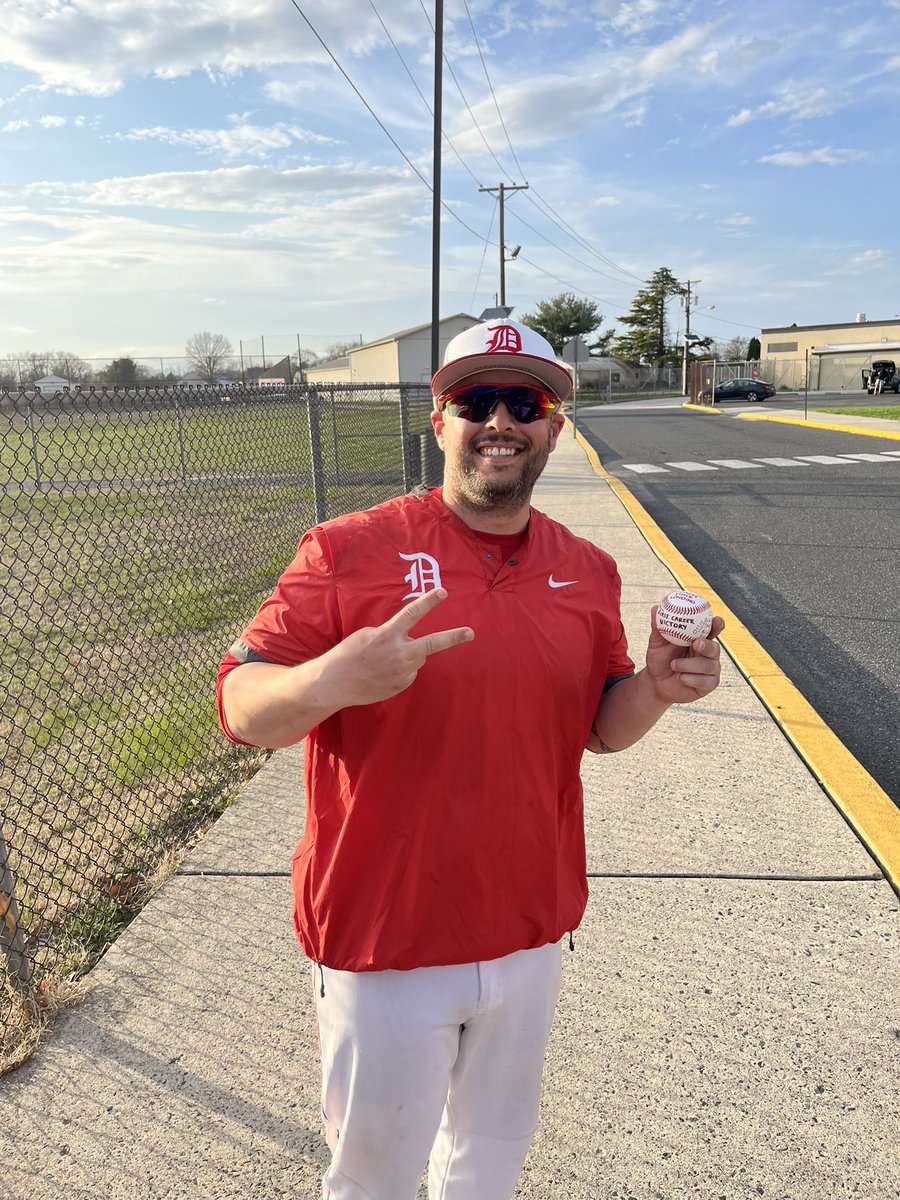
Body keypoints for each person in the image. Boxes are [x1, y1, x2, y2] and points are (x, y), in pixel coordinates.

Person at [216, 318, 724, 1200]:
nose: (501, 421)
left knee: (487, 1167)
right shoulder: (347, 551)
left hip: (528, 926)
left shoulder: (588, 568)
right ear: (437, 418)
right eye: (476, 400)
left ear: (555, 425)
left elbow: (601, 728)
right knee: (373, 1178)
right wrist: (331, 679)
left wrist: (655, 686)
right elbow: (241, 707)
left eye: (524, 402)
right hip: (385, 935)